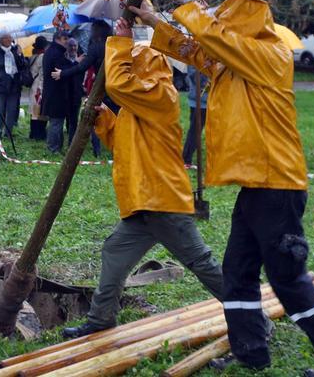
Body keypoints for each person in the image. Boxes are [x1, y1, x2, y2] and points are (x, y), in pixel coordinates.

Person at [132, 0, 314, 377]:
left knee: (286, 278)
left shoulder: (270, 56)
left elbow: (217, 41)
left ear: (243, 24)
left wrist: (192, 5)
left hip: (277, 186)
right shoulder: (236, 62)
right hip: (257, 185)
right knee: (238, 273)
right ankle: (250, 350)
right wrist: (155, 23)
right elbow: (197, 51)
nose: (217, 23)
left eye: (224, 18)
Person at [61, 18, 223, 339]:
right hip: (144, 202)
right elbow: (123, 143)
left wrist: (120, 43)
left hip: (163, 200)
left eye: (137, 62)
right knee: (115, 251)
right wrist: (104, 119)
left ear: (150, 66)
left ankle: (250, 314)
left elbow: (119, 84)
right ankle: (101, 319)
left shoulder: (161, 96)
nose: (133, 69)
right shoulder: (139, 106)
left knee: (201, 263)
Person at [51, 20, 112, 156]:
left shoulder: (96, 47)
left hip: (101, 87)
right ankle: (116, 148)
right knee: (117, 116)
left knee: (95, 117)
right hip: (117, 85)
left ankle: (97, 150)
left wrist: (63, 73)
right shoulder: (114, 44)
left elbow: (82, 67)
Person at [0, 31, 27, 137]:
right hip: (0, 85)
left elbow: (23, 66)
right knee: (0, 110)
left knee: (11, 110)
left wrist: (20, 55)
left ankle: (8, 133)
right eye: (6, 38)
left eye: (10, 38)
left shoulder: (15, 49)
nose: (9, 40)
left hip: (14, 84)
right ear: (1, 40)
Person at [41, 30, 74, 153]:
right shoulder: (56, 53)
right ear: (58, 39)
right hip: (56, 93)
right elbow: (62, 70)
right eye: (65, 39)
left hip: (54, 92)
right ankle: (53, 149)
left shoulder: (54, 51)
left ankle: (56, 147)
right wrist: (75, 64)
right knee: (56, 122)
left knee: (57, 121)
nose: (67, 42)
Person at [182, 64, 208, 166]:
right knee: (195, 131)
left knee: (196, 130)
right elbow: (196, 78)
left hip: (203, 100)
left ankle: (186, 158)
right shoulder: (195, 57)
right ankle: (186, 159)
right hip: (200, 101)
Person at [26, 36, 49, 140]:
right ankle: (40, 134)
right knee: (41, 112)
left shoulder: (33, 56)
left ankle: (33, 133)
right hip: (40, 87)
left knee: (34, 112)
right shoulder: (43, 56)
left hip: (33, 86)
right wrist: (41, 88)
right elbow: (43, 74)